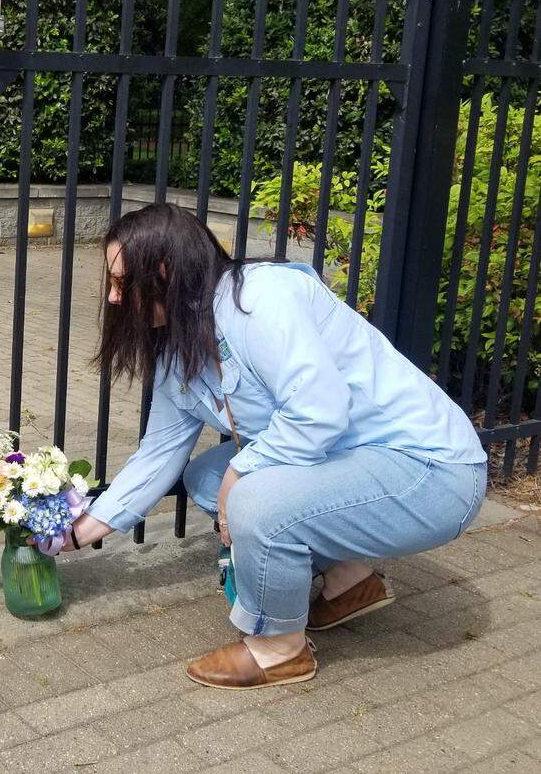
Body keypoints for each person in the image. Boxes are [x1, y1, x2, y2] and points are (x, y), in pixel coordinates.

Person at [63, 203, 487, 690]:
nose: (113, 298)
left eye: (123, 283)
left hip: (429, 471)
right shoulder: (179, 342)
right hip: (352, 458)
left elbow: (319, 411)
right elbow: (159, 453)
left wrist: (242, 474)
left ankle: (279, 649)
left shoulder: (261, 298)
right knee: (206, 477)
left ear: (165, 272)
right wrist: (77, 532)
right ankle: (351, 583)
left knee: (255, 501)